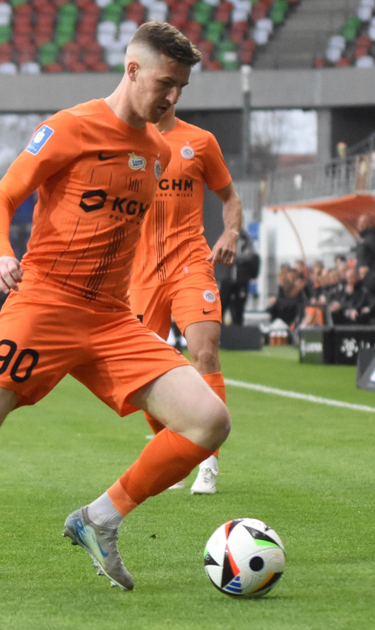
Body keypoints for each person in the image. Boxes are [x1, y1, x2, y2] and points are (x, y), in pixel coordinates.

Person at [0, 22, 228, 598]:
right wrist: (1, 254)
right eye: (164, 83)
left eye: (181, 88)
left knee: (209, 420)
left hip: (111, 318)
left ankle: (100, 518)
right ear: (132, 71)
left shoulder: (157, 150)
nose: (172, 97)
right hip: (44, 303)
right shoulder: (69, 127)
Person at [130, 104, 242, 495]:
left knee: (205, 353)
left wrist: (230, 233)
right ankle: (175, 453)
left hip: (191, 263)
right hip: (141, 272)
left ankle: (208, 461)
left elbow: (230, 198)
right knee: (141, 368)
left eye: (173, 88)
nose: (166, 96)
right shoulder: (125, 141)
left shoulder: (200, 141)